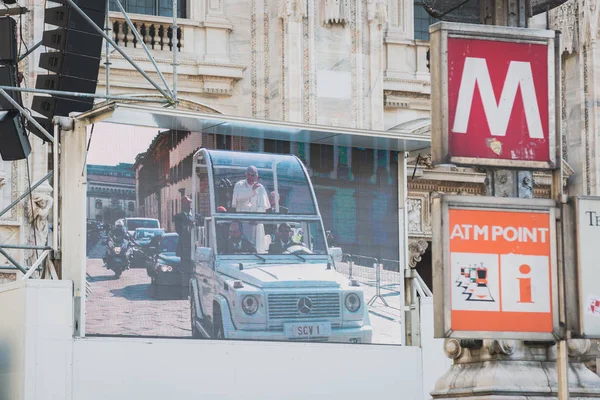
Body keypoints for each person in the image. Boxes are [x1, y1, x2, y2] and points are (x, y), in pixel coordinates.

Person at [174, 196, 194, 261]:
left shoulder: (196, 216)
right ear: (183, 205)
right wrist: (188, 226)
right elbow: (178, 230)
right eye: (187, 203)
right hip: (184, 247)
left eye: (190, 203)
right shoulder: (178, 217)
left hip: (195, 246)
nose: (189, 205)